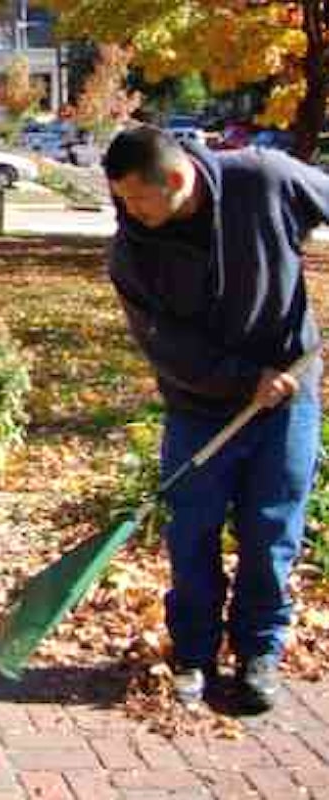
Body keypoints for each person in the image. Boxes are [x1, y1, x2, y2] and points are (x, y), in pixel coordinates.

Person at [102, 125, 324, 713]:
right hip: (198, 408)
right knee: (192, 534)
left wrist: (274, 379)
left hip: (289, 398)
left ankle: (258, 653)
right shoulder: (131, 251)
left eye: (136, 199)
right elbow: (164, 344)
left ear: (176, 180)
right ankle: (195, 654)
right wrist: (244, 380)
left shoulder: (264, 179)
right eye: (122, 200)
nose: (128, 211)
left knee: (272, 531)